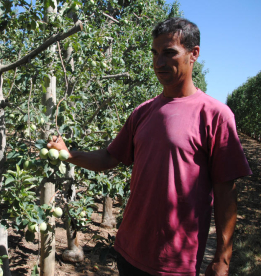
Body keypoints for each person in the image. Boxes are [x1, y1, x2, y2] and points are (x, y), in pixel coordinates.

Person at [47, 17, 252, 276]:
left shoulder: (215, 115)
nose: (159, 62)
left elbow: (226, 192)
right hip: (128, 249)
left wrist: (223, 258)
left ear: (194, 54)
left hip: (174, 261)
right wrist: (68, 154)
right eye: (155, 53)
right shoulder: (143, 112)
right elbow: (110, 158)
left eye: (169, 53)